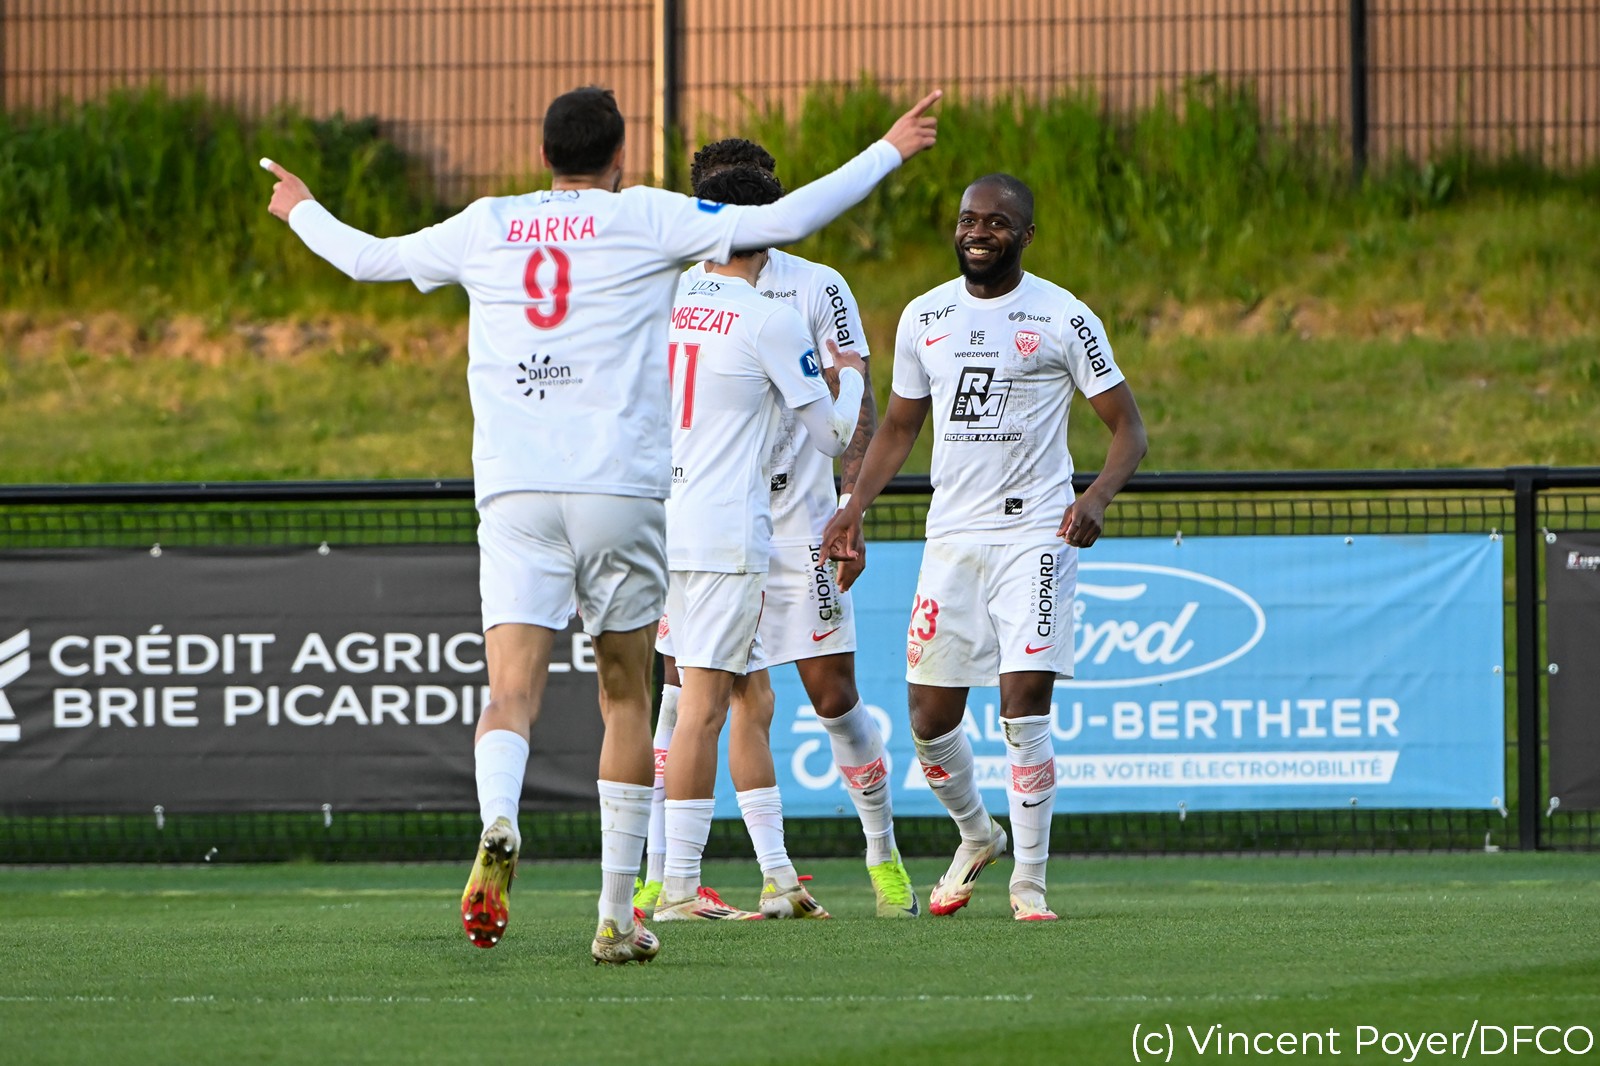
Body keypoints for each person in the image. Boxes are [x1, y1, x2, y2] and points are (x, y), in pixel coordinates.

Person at [263, 85, 942, 962]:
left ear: (542, 153)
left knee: (511, 694)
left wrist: (300, 206)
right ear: (620, 157)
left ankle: (500, 818)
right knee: (629, 696)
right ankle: (619, 914)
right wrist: (890, 147)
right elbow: (793, 217)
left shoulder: (487, 223)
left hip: (514, 491)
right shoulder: (646, 218)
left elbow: (366, 259)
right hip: (623, 492)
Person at [821, 174, 1147, 921]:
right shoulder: (924, 316)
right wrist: (853, 506)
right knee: (929, 722)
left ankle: (1029, 884)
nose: (977, 232)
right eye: (969, 219)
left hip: (1036, 535)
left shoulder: (1063, 316)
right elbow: (899, 426)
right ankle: (978, 834)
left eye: (996, 223)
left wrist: (1095, 497)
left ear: (1025, 236)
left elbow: (1129, 428)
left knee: (1023, 708)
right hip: (952, 540)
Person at [639, 139, 918, 920]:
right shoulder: (684, 288)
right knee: (692, 696)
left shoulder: (815, 286)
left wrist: (850, 505)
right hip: (719, 519)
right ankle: (670, 874)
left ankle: (880, 854)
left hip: (794, 521)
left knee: (831, 697)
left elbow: (855, 400)